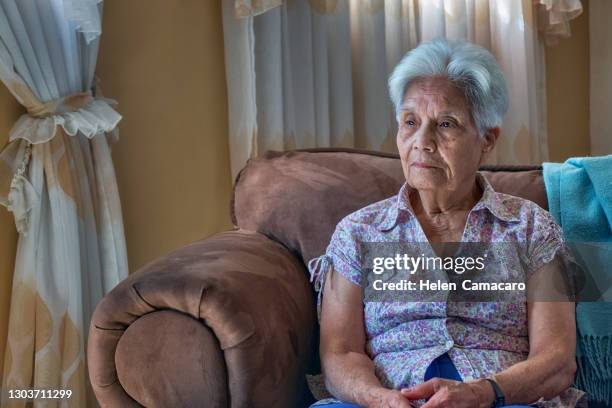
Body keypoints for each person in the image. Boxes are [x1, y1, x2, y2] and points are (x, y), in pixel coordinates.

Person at [307, 39, 584, 408]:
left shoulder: (531, 228)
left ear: (487, 139)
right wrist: (380, 400)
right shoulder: (358, 233)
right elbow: (339, 354)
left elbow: (556, 360)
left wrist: (483, 392)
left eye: (446, 124)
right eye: (410, 122)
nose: (422, 142)